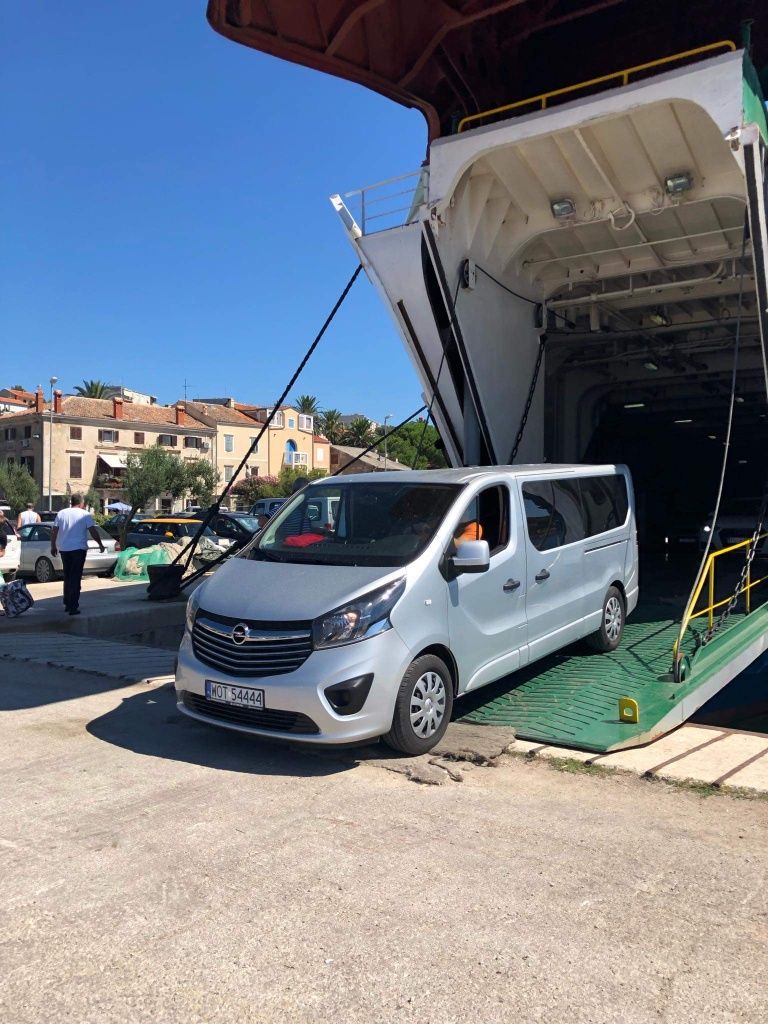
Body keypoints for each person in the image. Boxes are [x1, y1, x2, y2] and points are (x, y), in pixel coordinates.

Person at [50, 494, 105, 615]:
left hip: (64, 549)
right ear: (81, 503)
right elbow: (93, 531)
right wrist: (100, 544)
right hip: (79, 549)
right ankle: (73, 606)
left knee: (68, 576)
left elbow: (54, 531)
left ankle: (67, 602)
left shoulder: (61, 513)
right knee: (75, 577)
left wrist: (53, 545)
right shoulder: (84, 514)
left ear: (71, 502)